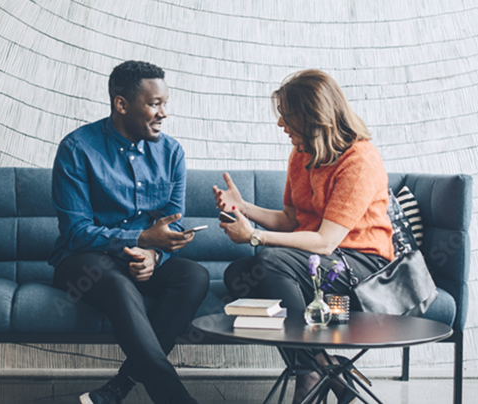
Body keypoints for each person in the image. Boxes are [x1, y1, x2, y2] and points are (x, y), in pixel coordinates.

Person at [216, 69, 393, 403]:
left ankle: (309, 372)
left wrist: (254, 237)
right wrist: (245, 208)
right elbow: (290, 221)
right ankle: (324, 365)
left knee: (267, 261)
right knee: (238, 275)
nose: (281, 124)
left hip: (362, 265)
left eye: (287, 116)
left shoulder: (360, 159)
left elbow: (326, 241)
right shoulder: (301, 154)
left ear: (313, 115)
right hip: (316, 261)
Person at [51, 60, 208, 404]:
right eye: (155, 104)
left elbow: (173, 222)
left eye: (165, 103)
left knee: (195, 276)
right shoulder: (77, 149)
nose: (163, 113)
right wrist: (140, 239)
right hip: (84, 261)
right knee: (118, 284)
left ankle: (117, 389)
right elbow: (77, 232)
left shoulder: (172, 152)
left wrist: (154, 253)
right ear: (121, 104)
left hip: (142, 259)